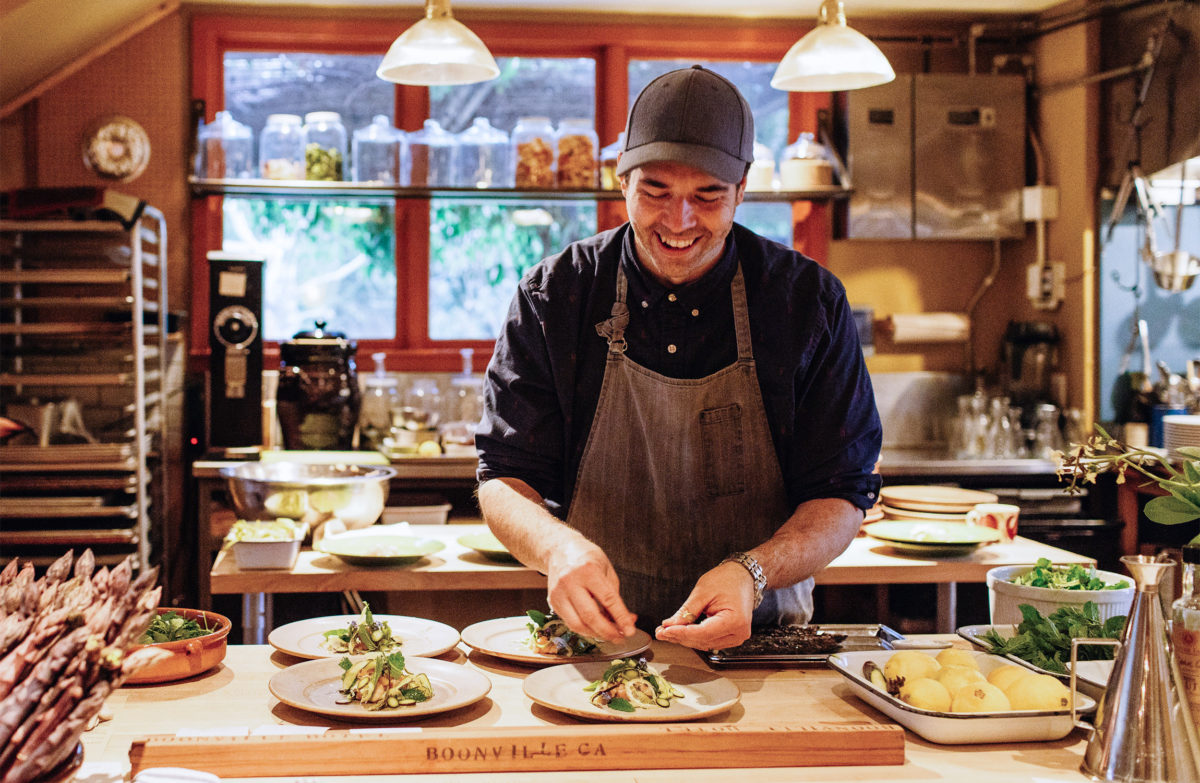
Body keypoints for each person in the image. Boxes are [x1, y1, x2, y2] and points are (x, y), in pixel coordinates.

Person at [475, 65, 881, 652]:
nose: (679, 220)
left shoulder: (805, 302)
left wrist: (753, 571)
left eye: (707, 196)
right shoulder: (556, 295)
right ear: (622, 179)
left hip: (759, 643)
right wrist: (557, 548)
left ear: (742, 189)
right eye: (656, 191)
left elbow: (842, 492)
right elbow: (503, 476)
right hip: (591, 643)